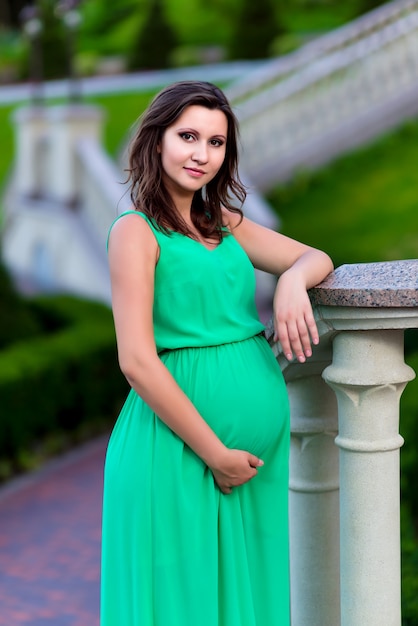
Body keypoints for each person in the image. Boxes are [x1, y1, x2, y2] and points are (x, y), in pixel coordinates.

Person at [101, 80, 333, 626]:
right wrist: (215, 454)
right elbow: (135, 360)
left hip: (252, 465)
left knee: (249, 602)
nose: (201, 154)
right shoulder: (135, 232)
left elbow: (314, 257)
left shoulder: (223, 223)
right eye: (187, 136)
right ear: (156, 141)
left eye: (216, 142)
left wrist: (290, 284)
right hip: (179, 453)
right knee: (185, 605)